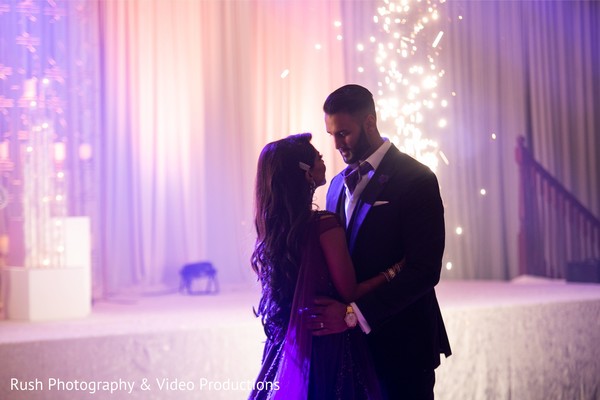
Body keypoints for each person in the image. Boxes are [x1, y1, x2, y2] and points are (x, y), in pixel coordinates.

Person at [308, 84, 452, 400]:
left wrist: (352, 314)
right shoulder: (334, 186)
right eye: (331, 134)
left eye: (343, 133)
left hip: (403, 345)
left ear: (370, 123)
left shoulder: (417, 178)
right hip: (351, 353)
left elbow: (424, 270)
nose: (336, 144)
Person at [249, 133, 403, 399]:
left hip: (290, 345)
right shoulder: (324, 225)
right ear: (306, 174)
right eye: (318, 157)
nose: (325, 158)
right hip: (328, 344)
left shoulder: (275, 229)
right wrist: (393, 271)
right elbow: (350, 292)